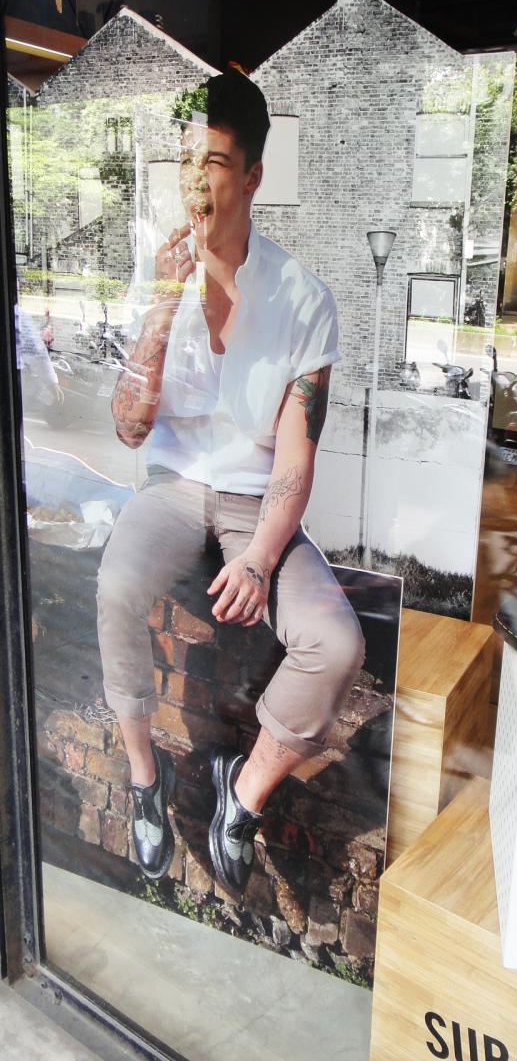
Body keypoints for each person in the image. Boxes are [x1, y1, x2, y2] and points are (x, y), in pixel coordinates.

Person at [97, 69, 365, 891]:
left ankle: (241, 797)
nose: (194, 182)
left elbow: (294, 458)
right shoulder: (159, 273)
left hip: (255, 501)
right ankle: (143, 780)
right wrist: (161, 304)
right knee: (115, 588)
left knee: (337, 643)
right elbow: (129, 426)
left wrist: (258, 558)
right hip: (174, 486)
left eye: (212, 163)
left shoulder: (302, 298)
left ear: (250, 176)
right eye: (186, 161)